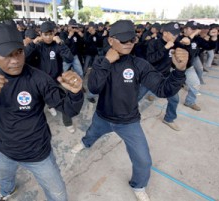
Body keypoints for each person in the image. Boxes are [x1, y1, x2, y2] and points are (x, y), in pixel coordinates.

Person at [0, 23, 84, 201]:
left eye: (18, 52)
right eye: (6, 55)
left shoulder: (38, 78)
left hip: (38, 153)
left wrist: (76, 92)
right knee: (5, 178)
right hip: (5, 149)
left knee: (58, 193)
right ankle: (7, 192)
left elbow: (70, 109)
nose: (15, 60)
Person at [71, 20, 189, 201]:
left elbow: (162, 89)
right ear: (111, 41)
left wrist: (179, 71)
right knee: (91, 134)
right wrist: (106, 62)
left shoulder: (139, 64)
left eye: (132, 40)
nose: (128, 44)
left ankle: (138, 185)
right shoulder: (102, 61)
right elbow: (93, 88)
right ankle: (85, 143)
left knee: (144, 160)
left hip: (128, 121)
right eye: (123, 40)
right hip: (102, 116)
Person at [25, 21, 77, 133]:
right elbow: (24, 57)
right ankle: (49, 107)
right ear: (41, 34)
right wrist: (33, 43)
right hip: (41, 81)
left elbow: (69, 58)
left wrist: (61, 44)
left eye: (50, 34)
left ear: (54, 33)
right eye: (45, 34)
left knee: (65, 100)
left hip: (56, 79)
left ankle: (68, 123)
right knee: (35, 104)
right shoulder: (38, 46)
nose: (48, 37)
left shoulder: (57, 45)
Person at [139, 22, 182, 131]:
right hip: (150, 77)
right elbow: (150, 59)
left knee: (174, 99)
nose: (176, 36)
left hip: (166, 77)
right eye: (174, 34)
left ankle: (169, 118)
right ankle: (122, 115)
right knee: (135, 97)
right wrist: (165, 48)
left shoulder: (175, 43)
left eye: (177, 34)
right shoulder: (153, 43)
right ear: (166, 33)